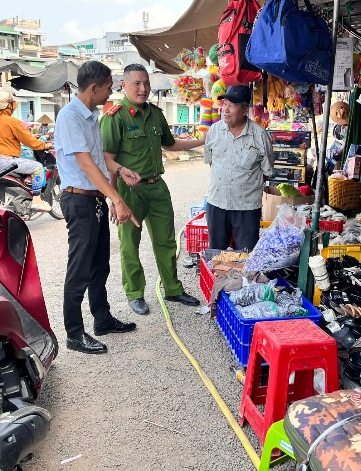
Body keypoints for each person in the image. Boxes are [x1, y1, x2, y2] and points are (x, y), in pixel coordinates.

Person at [100, 63, 202, 315]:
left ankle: (173, 289)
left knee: (166, 241)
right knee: (129, 245)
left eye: (146, 83)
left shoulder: (155, 114)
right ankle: (135, 293)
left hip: (157, 188)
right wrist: (114, 199)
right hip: (129, 191)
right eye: (137, 83)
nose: (143, 89)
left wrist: (202, 140)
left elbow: (170, 144)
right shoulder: (115, 117)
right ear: (124, 85)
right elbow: (107, 160)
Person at [55, 60, 141, 354]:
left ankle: (102, 319)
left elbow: (99, 158)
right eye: (108, 88)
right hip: (79, 200)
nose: (110, 93)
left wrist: (121, 170)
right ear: (94, 87)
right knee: (79, 269)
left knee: (99, 265)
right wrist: (117, 199)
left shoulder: (91, 116)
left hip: (94, 199)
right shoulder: (70, 117)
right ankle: (74, 333)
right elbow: (87, 165)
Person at [204, 85, 274, 251]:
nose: (226, 110)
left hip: (247, 207)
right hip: (217, 203)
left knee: (246, 256)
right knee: (216, 255)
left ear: (244, 110)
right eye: (225, 104)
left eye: (232, 105)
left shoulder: (260, 135)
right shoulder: (214, 131)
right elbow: (211, 162)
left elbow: (266, 171)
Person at [0, 91, 52, 212]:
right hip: (5, 161)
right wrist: (44, 145)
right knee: (37, 167)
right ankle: (37, 199)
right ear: (7, 105)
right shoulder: (12, 121)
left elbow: (4, 136)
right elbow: (29, 141)